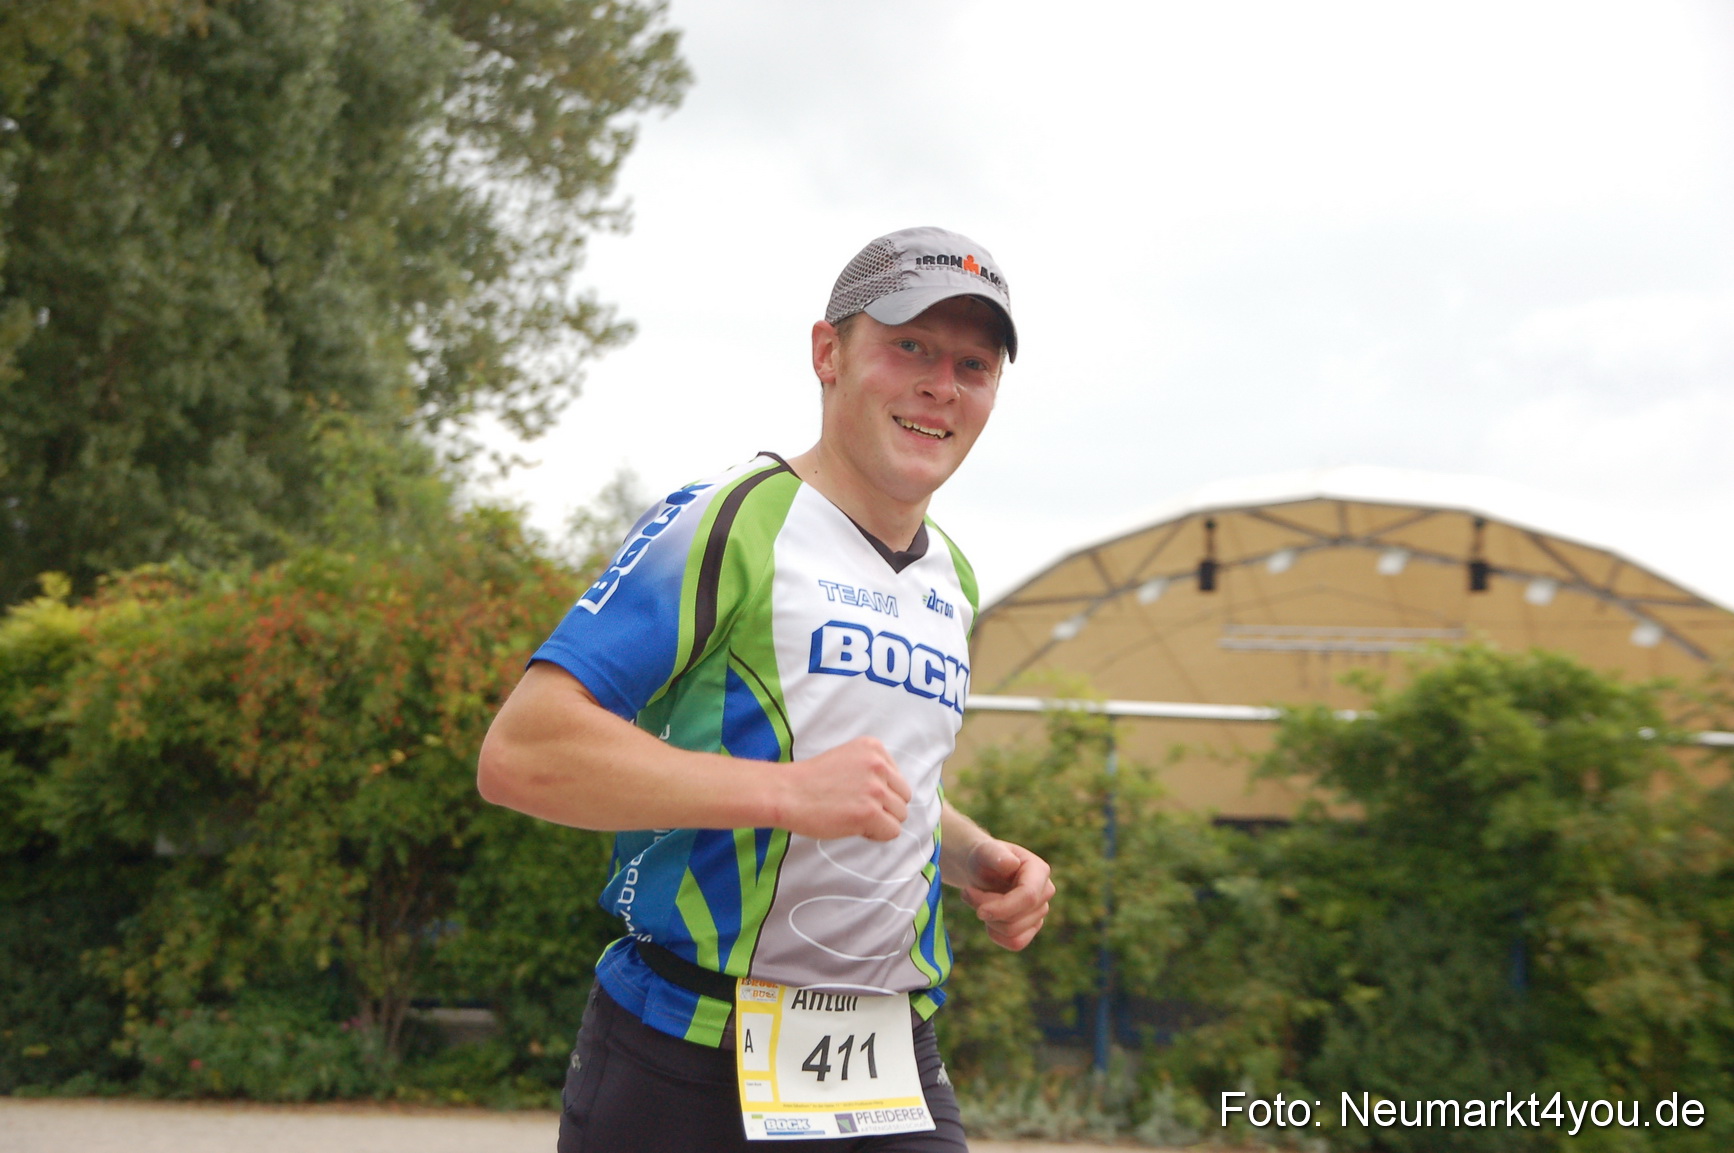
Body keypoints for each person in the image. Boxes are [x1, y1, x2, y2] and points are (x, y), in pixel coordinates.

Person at [477, 225, 1054, 1150]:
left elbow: (860, 775)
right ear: (828, 352)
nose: (940, 386)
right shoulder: (730, 521)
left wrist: (975, 851)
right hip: (686, 1050)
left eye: (974, 365)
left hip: (884, 1050)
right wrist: (786, 797)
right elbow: (523, 752)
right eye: (908, 346)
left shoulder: (955, 577)